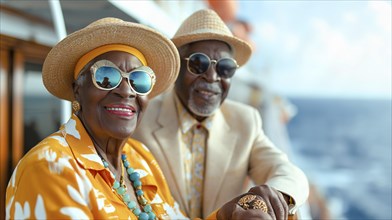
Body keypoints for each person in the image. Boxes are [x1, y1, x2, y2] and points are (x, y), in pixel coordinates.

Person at [6, 17, 275, 220]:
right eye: (106, 77)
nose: (126, 90)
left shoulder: (138, 158)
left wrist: (228, 213)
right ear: (78, 88)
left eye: (139, 80)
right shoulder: (50, 167)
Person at [133, 9, 309, 219]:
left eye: (225, 68)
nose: (212, 76)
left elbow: (287, 172)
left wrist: (272, 198)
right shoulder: (139, 118)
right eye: (199, 63)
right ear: (177, 66)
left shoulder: (245, 120)